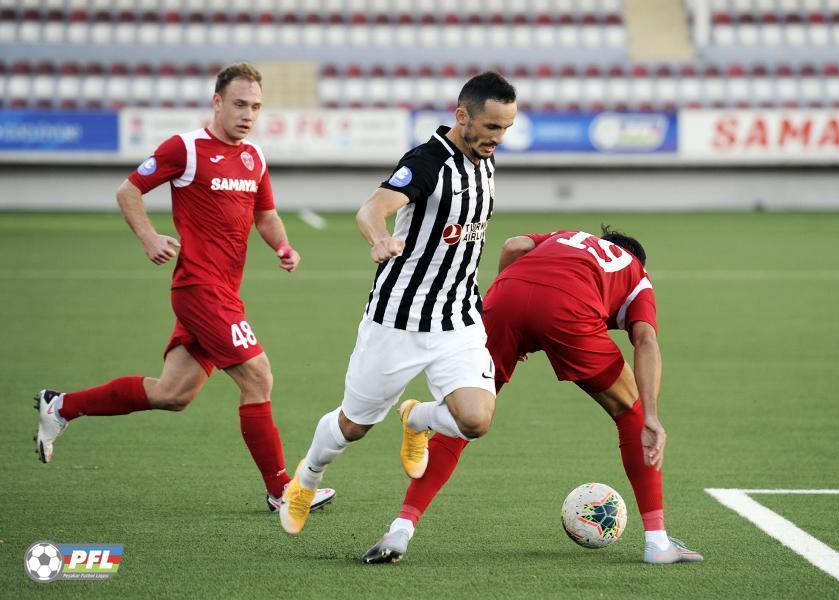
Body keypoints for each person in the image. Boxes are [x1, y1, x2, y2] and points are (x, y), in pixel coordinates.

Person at [33, 62, 334, 514]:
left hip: (225, 292)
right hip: (199, 288)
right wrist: (149, 238)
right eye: (239, 104)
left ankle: (60, 406)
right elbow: (128, 191)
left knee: (172, 394)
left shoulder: (253, 156)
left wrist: (283, 246)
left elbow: (265, 215)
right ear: (217, 102)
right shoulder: (186, 148)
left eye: (255, 106)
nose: (248, 114)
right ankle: (282, 490)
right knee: (259, 376)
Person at [362, 227, 703, 565]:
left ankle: (400, 528)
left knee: (464, 418)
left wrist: (503, 311)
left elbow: (514, 245)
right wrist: (652, 416)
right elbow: (645, 340)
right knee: (632, 413)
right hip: (570, 309)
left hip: (505, 297)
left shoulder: (568, 237)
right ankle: (657, 542)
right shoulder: (637, 274)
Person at [278, 72, 517, 536]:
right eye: (491, 126)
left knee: (475, 420)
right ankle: (306, 479)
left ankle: (417, 418)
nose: (498, 138)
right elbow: (371, 209)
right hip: (398, 320)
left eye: (506, 128)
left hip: (457, 319)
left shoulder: (484, 162)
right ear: (462, 116)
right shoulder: (427, 162)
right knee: (354, 426)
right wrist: (379, 239)